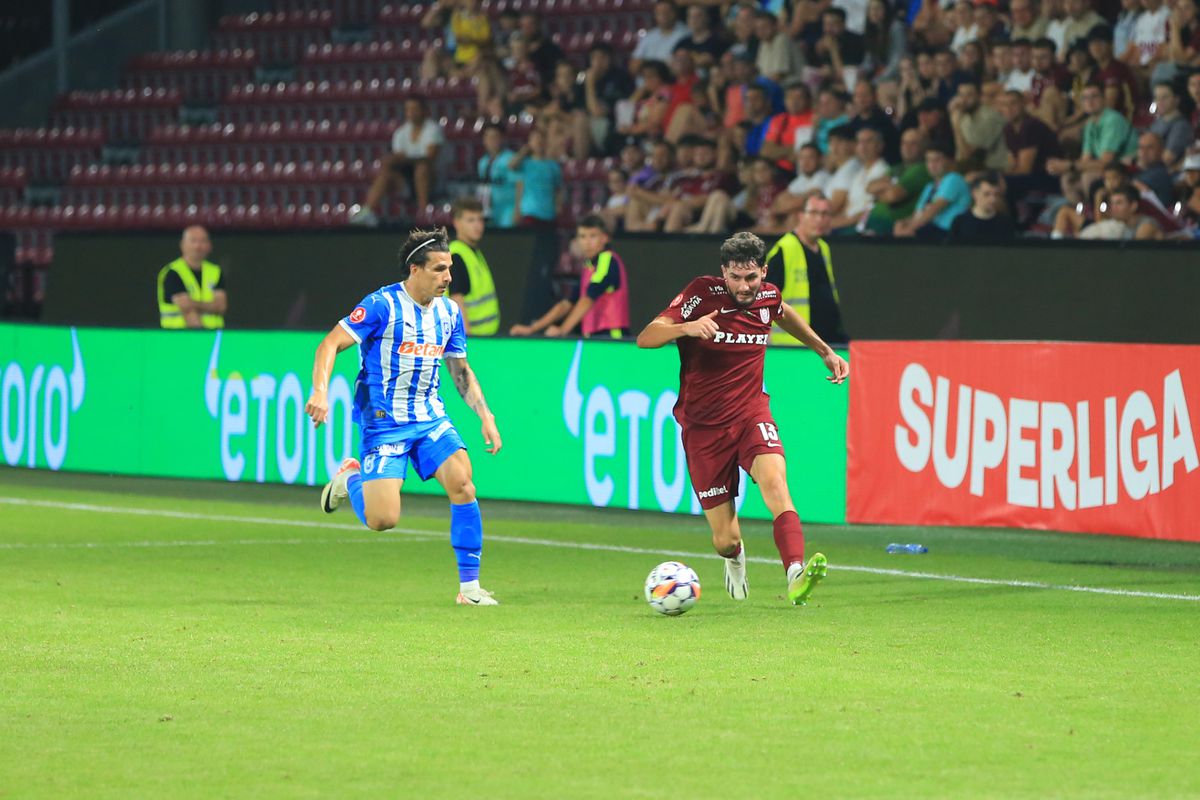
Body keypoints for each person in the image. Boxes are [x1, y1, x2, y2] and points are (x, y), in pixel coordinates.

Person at [635, 231, 849, 606]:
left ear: (763, 272)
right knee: (725, 539)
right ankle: (735, 561)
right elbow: (646, 337)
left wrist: (825, 351)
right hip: (703, 428)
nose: (744, 286)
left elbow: (784, 314)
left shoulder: (768, 296)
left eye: (751, 277)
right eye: (736, 277)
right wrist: (685, 328)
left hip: (751, 412)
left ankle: (795, 573)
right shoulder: (702, 294)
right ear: (724, 272)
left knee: (776, 484)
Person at [306, 228, 503, 606]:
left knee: (463, 483)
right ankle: (352, 479)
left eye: (450, 268)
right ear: (415, 269)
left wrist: (485, 414)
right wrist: (320, 390)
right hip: (384, 422)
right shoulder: (381, 305)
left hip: (429, 416)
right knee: (383, 519)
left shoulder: (449, 312)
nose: (448, 277)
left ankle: (470, 589)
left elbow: (459, 369)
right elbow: (330, 343)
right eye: (439, 269)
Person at [510, 215, 630, 339]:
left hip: (612, 337)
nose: (587, 242)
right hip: (593, 338)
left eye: (593, 236)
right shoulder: (588, 267)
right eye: (582, 236)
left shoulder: (607, 259)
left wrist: (563, 329)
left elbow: (588, 298)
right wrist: (532, 329)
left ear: (605, 238)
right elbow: (567, 303)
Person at [765, 192, 846, 346]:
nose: (820, 219)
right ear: (801, 216)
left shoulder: (823, 248)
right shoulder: (785, 248)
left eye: (825, 214)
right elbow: (763, 298)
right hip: (792, 344)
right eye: (814, 213)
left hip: (824, 341)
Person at [352, 98, 444, 226]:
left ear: (424, 111)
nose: (411, 113)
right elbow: (399, 160)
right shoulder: (401, 133)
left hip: (434, 180)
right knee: (385, 175)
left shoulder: (433, 129)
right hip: (407, 180)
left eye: (415, 109)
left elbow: (430, 158)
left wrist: (404, 158)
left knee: (421, 169)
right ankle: (368, 212)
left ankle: (423, 213)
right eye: (408, 109)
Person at [893, 142, 971, 238]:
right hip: (931, 230)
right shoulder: (929, 187)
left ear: (951, 161)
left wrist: (910, 228)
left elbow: (934, 209)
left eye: (937, 160)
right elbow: (918, 214)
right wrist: (904, 223)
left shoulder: (954, 178)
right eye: (928, 160)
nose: (932, 164)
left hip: (948, 233)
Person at [157, 225, 226, 329]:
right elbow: (186, 309)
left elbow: (221, 306)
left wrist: (193, 303)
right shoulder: (173, 272)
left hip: (215, 337)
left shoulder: (215, 271)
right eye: (193, 241)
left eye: (203, 241)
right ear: (182, 245)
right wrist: (210, 306)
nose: (198, 246)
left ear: (209, 246)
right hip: (178, 337)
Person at [447, 198, 499, 336]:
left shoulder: (472, 252)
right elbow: (456, 300)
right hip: (473, 339)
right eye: (470, 220)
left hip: (485, 337)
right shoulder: (457, 255)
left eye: (480, 220)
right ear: (456, 223)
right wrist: (466, 339)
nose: (477, 225)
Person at [949, 173, 1016, 241]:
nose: (993, 199)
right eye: (987, 194)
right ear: (974, 193)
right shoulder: (960, 221)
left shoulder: (1005, 222)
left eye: (996, 194)